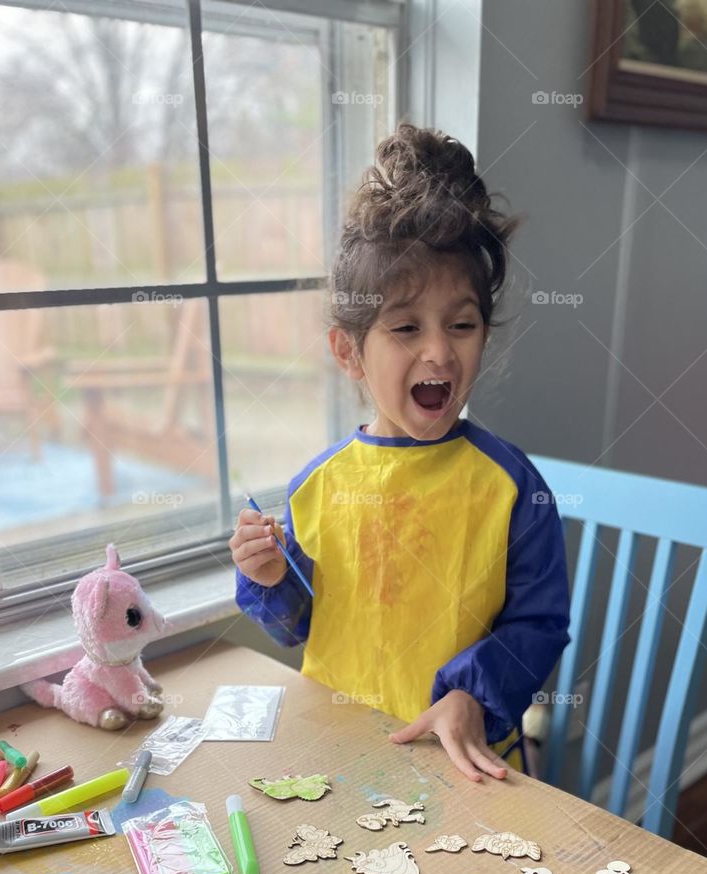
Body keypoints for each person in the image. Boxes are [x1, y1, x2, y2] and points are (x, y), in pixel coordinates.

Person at [230, 122, 570, 783]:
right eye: (407, 327)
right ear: (348, 351)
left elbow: (540, 624)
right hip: (336, 760)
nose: (439, 351)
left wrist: (471, 695)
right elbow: (298, 625)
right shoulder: (317, 487)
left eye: (462, 325)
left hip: (461, 765)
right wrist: (270, 576)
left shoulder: (511, 487)